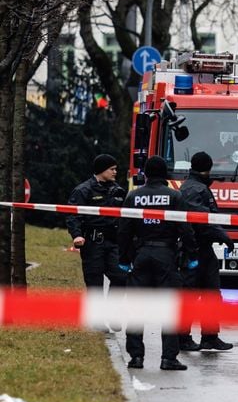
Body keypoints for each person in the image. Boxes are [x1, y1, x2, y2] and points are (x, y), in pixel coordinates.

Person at [118, 156, 198, 371]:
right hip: (166, 255)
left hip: (141, 254)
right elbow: (185, 229)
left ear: (144, 173)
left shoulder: (133, 196)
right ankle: (168, 358)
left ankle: (136, 357)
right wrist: (192, 255)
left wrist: (124, 259)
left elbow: (124, 230)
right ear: (165, 175)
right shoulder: (174, 196)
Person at [177, 151, 235, 352]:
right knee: (191, 295)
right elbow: (202, 221)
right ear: (208, 168)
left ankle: (210, 337)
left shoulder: (195, 186)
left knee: (211, 294)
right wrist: (223, 236)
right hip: (194, 250)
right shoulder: (196, 189)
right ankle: (183, 338)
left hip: (202, 249)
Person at [66, 154, 128, 295]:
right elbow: (72, 214)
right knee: (94, 284)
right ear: (101, 170)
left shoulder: (118, 191)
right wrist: (76, 235)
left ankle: (112, 313)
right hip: (93, 244)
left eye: (115, 169)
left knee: (121, 278)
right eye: (111, 169)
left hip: (113, 243)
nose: (115, 172)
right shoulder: (83, 190)